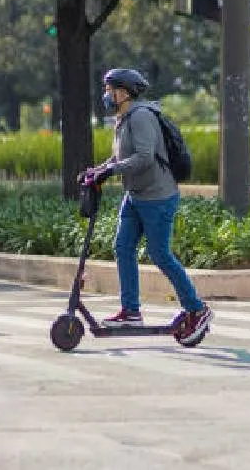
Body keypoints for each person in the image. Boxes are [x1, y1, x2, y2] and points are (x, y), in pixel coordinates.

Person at [81, 68, 213, 341]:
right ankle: (130, 311)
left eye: (109, 90)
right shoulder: (124, 118)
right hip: (136, 195)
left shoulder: (141, 117)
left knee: (160, 254)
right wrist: (98, 170)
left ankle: (197, 309)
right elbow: (120, 155)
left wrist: (111, 171)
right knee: (123, 247)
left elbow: (144, 158)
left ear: (123, 92)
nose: (106, 95)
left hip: (158, 197)